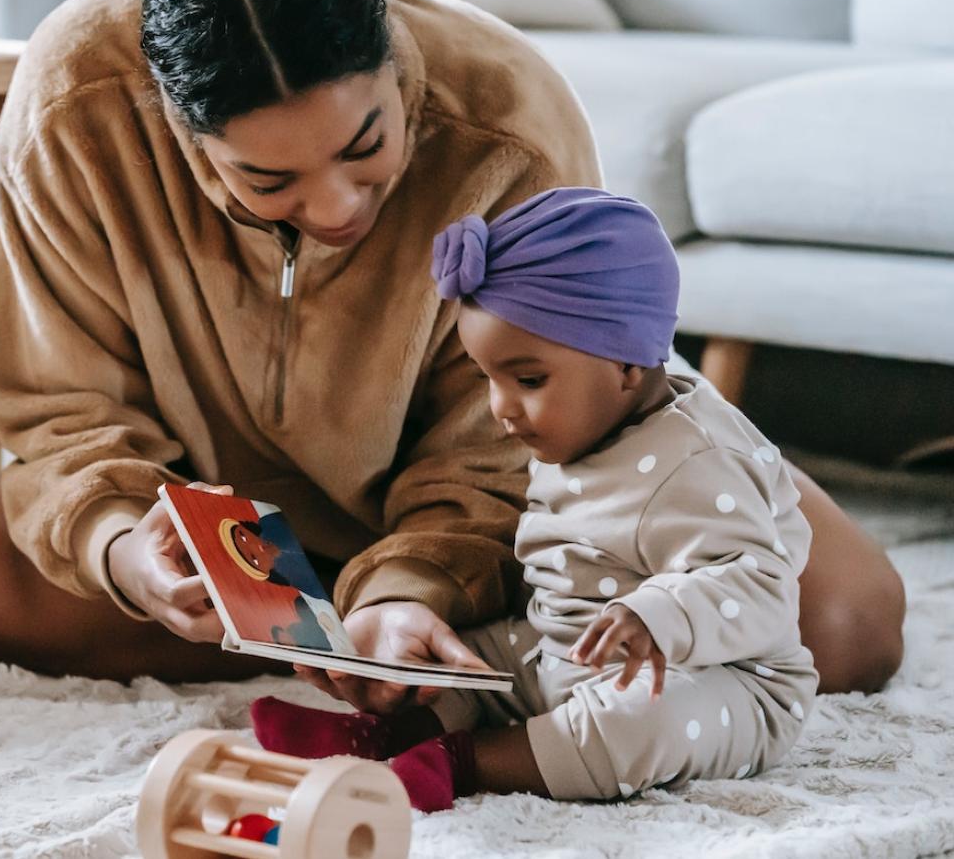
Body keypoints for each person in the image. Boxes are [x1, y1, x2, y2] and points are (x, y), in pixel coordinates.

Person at [0, 0, 904, 698]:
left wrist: (410, 581)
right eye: (268, 183)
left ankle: (431, 628)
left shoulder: (506, 110)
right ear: (172, 121)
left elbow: (511, 435)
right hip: (224, 503)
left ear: (389, 50)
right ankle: (453, 650)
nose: (334, 206)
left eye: (366, 147)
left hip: (509, 503)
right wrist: (127, 550)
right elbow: (61, 412)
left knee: (841, 621)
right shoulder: (72, 102)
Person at [251, 188, 818, 810]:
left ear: (627, 364)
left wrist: (659, 615)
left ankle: (460, 765)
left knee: (637, 724)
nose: (500, 408)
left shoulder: (701, 460)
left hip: (718, 680)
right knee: (469, 660)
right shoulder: (581, 426)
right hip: (565, 648)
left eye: (527, 380)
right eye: (487, 377)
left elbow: (761, 585)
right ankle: (383, 735)